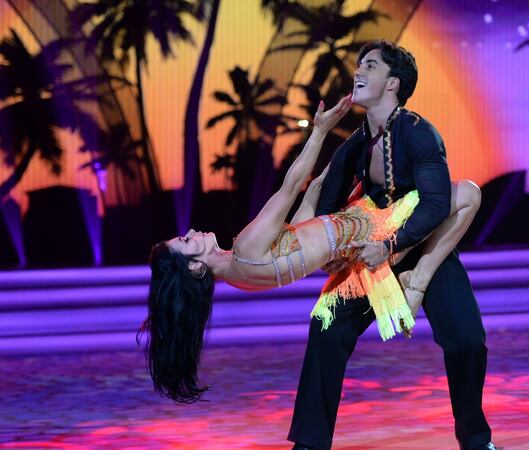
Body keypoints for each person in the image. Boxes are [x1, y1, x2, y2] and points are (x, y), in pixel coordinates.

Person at [140, 91, 483, 405]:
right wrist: (319, 132)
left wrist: (323, 181)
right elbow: (289, 188)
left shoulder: (238, 276)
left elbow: (298, 233)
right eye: (187, 242)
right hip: (370, 232)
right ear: (196, 267)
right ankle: (418, 280)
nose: (191, 232)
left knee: (373, 169)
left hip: (347, 241)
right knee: (467, 194)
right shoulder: (244, 247)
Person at [288, 40, 494, 450]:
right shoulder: (356, 144)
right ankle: (309, 443)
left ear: (393, 84)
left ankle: (475, 440)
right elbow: (328, 204)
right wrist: (332, 251)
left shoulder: (419, 133)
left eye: (370, 66)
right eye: (358, 65)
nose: (358, 72)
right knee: (325, 327)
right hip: (371, 249)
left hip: (419, 243)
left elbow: (436, 203)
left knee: (467, 338)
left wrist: (394, 246)